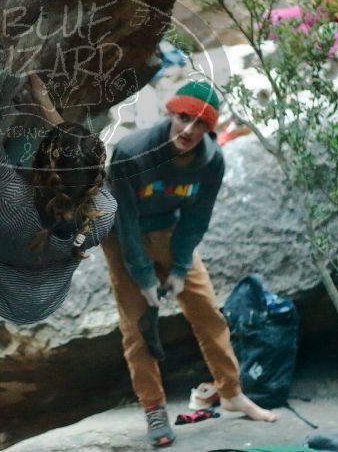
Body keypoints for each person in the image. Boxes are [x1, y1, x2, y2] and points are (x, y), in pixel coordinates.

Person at [101, 80, 276, 448]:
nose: (189, 130)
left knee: (207, 310)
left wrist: (179, 269)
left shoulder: (211, 161)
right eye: (183, 118)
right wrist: (143, 275)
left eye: (200, 123)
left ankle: (231, 393)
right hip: (124, 237)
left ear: (209, 128)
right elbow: (124, 219)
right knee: (138, 326)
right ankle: (154, 410)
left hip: (171, 230)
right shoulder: (132, 152)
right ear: (171, 113)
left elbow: (197, 219)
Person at [0, 10, 117, 325]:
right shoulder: (104, 213)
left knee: (19, 144)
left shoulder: (10, 202)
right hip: (44, 297)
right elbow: (75, 167)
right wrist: (45, 103)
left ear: (43, 166)